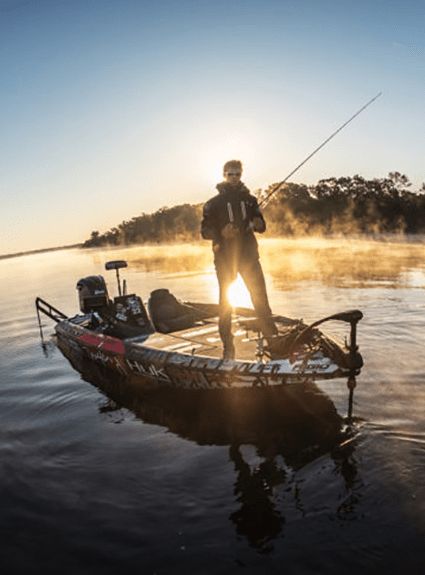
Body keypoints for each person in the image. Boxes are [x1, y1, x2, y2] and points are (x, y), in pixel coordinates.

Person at [201, 160, 277, 360]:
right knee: (225, 301)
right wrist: (222, 232)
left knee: (260, 298)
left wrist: (259, 223)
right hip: (225, 259)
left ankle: (273, 339)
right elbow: (205, 231)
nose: (234, 177)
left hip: (249, 257)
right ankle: (228, 343)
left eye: (237, 174)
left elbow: (261, 226)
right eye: (230, 174)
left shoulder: (251, 200)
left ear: (241, 174)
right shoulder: (212, 204)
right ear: (224, 175)